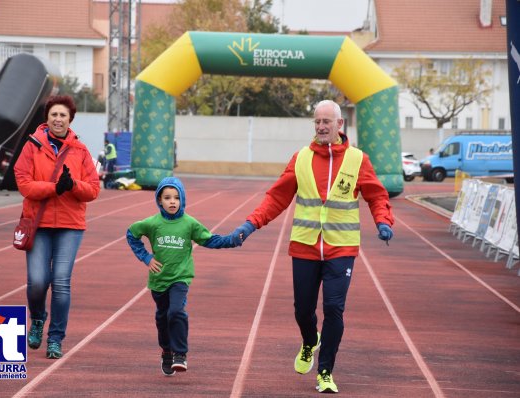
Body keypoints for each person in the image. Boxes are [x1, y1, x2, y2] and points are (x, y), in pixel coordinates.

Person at [233, 100, 394, 394]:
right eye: (317, 121)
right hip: (305, 248)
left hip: (341, 249)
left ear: (339, 125)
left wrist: (383, 221)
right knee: (303, 311)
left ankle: (324, 371)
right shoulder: (301, 158)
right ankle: (310, 340)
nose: (321, 126)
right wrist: (250, 224)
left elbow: (376, 195)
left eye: (326, 122)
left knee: (334, 309)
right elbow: (276, 198)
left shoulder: (358, 160)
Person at [126, 176, 242, 376]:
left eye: (176, 198)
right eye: (167, 197)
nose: (172, 201)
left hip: (180, 277)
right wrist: (146, 257)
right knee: (162, 318)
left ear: (182, 200)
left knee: (176, 312)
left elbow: (209, 240)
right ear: (159, 200)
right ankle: (166, 351)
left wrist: (231, 240)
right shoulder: (152, 223)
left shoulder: (189, 223)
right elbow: (131, 234)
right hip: (158, 280)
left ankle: (180, 354)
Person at [14, 95, 100, 359]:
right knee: (38, 282)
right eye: (54, 115)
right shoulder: (31, 146)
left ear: (70, 119)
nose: (58, 119)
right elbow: (24, 183)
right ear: (47, 118)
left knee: (61, 282)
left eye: (63, 115)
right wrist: (54, 188)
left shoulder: (81, 150)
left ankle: (55, 339)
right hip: (38, 224)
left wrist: (72, 185)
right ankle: (38, 318)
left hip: (69, 226)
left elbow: (93, 189)